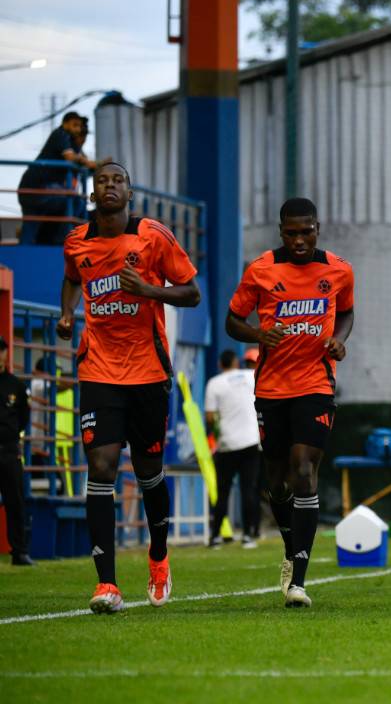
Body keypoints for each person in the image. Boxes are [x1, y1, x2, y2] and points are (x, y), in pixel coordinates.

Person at [59, 162, 201, 613]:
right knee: (101, 467)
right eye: (102, 180)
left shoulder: (153, 237)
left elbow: (192, 292)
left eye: (117, 180)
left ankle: (158, 558)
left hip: (148, 372)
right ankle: (107, 584)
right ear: (92, 194)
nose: (110, 186)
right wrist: (67, 313)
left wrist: (147, 290)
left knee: (147, 473)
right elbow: (72, 277)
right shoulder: (76, 241)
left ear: (130, 193)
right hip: (98, 370)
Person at [226, 197, 354, 608]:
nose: (300, 240)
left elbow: (347, 313)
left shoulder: (338, 269)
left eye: (307, 232)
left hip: (316, 385)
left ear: (318, 229)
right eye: (292, 233)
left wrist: (339, 340)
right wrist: (257, 335)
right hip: (271, 389)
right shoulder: (261, 269)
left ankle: (298, 580)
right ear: (281, 231)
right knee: (278, 482)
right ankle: (289, 546)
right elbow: (233, 321)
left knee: (304, 471)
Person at [204, 349, 263, 548]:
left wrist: (217, 430)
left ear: (220, 364)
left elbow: (210, 417)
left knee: (223, 491)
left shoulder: (214, 383)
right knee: (248, 489)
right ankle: (247, 536)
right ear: (237, 363)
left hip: (227, 444)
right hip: (250, 442)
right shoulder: (251, 376)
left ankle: (215, 538)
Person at [19, 112, 104, 245]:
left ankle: (25, 251)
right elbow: (70, 157)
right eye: (75, 125)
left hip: (31, 188)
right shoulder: (60, 134)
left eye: (80, 127)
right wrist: (84, 160)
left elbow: (84, 161)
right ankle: (63, 241)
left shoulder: (71, 142)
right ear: (65, 124)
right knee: (76, 201)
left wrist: (96, 164)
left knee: (31, 226)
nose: (78, 129)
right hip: (37, 187)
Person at [0, 336, 35, 565]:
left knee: (15, 501)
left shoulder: (17, 386)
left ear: (6, 353)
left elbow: (24, 418)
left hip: (9, 450)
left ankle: (19, 552)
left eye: (1, 350)